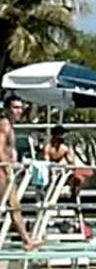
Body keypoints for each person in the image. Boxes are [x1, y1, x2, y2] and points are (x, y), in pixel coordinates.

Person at [0, 94, 37, 249]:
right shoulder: (5, 125)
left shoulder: (10, 126)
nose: (19, 111)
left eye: (21, 108)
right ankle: (27, 241)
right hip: (2, 171)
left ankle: (27, 240)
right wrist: (7, 168)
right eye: (15, 108)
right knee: (14, 206)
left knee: (14, 206)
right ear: (7, 109)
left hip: (7, 171)